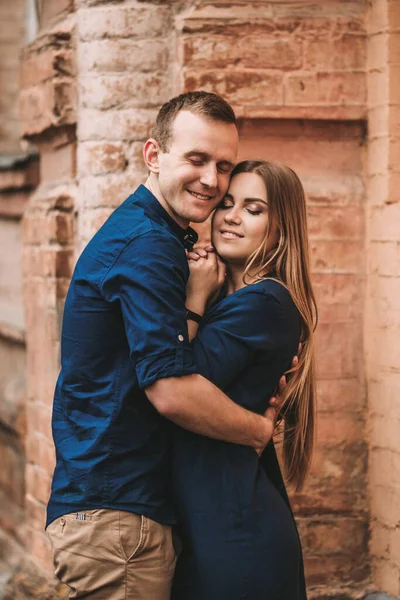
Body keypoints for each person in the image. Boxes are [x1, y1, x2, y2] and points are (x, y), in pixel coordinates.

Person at [45, 92, 293, 600]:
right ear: (154, 156)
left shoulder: (161, 239)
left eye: (223, 166)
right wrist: (255, 429)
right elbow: (171, 390)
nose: (211, 180)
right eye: (197, 159)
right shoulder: (150, 244)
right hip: (118, 518)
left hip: (121, 510)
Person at [171, 160, 317, 600]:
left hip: (235, 536)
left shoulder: (265, 302)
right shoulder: (232, 300)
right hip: (210, 522)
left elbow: (173, 383)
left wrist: (193, 300)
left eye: (254, 209)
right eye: (227, 204)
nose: (231, 216)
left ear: (281, 229)